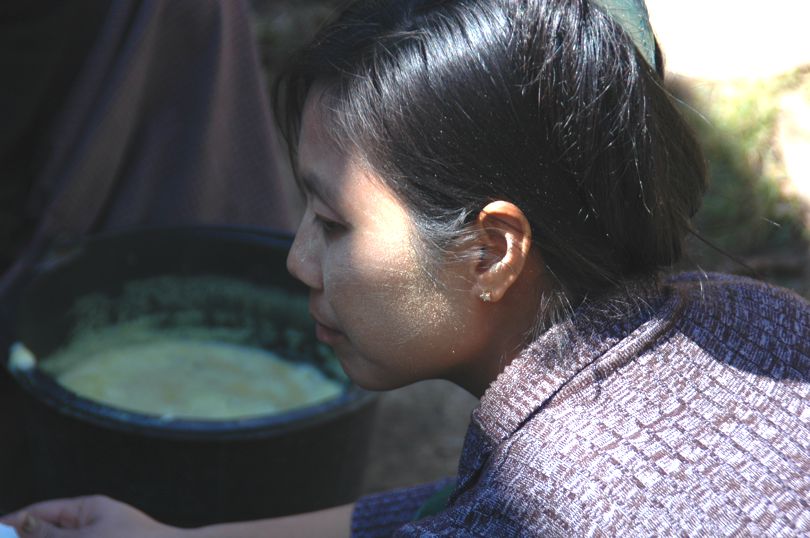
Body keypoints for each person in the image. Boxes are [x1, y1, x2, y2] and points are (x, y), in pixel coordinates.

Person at [3, 0, 809, 536]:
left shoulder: (551, 500)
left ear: (491, 251)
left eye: (333, 223)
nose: (297, 260)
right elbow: (441, 510)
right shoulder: (751, 315)